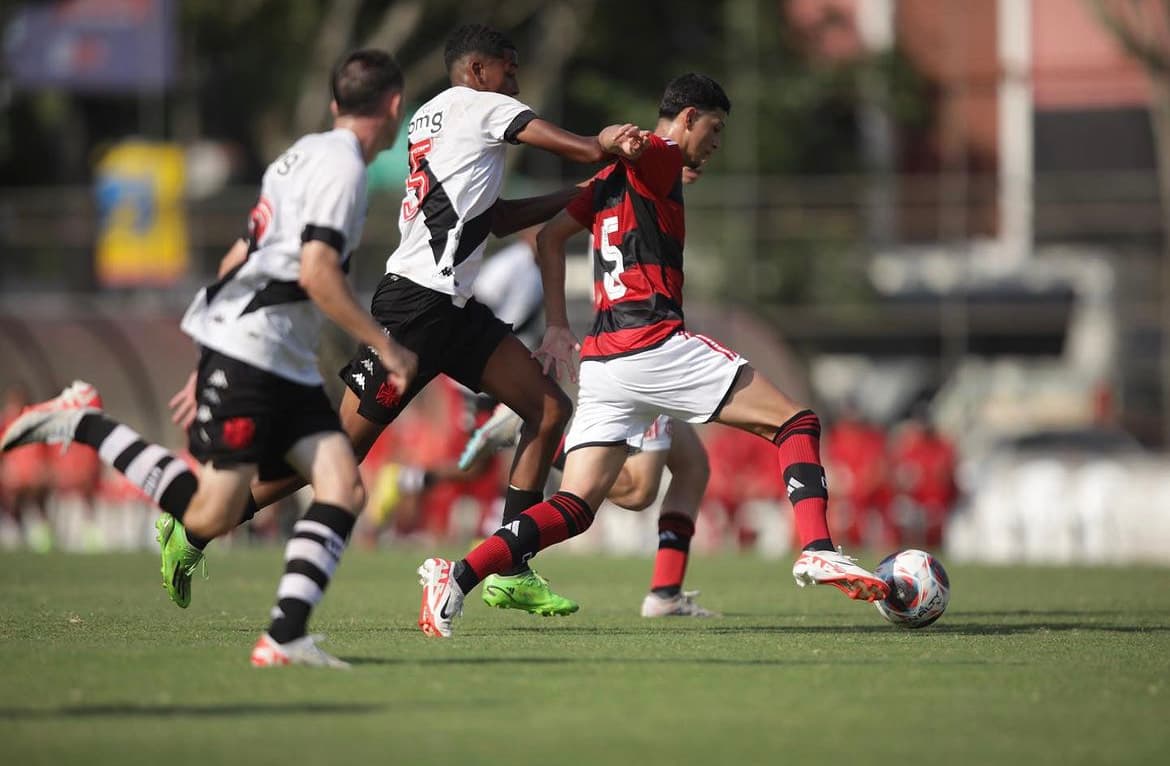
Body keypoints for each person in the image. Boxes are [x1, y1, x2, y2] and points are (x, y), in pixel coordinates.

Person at [162, 24, 644, 617]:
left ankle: (511, 566)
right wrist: (605, 146)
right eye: (508, 68)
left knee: (548, 410)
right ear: (478, 71)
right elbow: (580, 146)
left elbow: (494, 219)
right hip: (415, 311)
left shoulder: (438, 118)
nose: (515, 82)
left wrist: (585, 193)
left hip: (453, 311)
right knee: (334, 457)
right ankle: (195, 525)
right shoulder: (482, 106)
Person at [418, 73, 889, 638]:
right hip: (654, 344)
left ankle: (456, 575)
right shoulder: (656, 154)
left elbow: (547, 239)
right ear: (688, 117)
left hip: (603, 362)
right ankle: (817, 547)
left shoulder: (614, 175)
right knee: (796, 421)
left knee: (578, 506)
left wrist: (561, 328)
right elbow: (655, 153)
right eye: (713, 130)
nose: (715, 144)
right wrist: (637, 144)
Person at [2, 49, 413, 668]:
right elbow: (317, 270)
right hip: (257, 349)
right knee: (211, 511)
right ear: (394, 106)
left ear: (334, 105)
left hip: (272, 352)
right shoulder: (345, 171)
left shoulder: (295, 157)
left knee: (340, 484)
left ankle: (284, 637)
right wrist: (383, 344)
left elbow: (238, 257)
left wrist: (206, 357)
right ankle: (82, 421)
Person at [459, 178, 719, 618]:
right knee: (636, 491)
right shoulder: (645, 174)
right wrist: (507, 363)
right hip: (643, 349)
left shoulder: (645, 176)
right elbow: (483, 296)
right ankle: (536, 438)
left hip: (632, 345)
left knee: (693, 464)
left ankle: (665, 593)